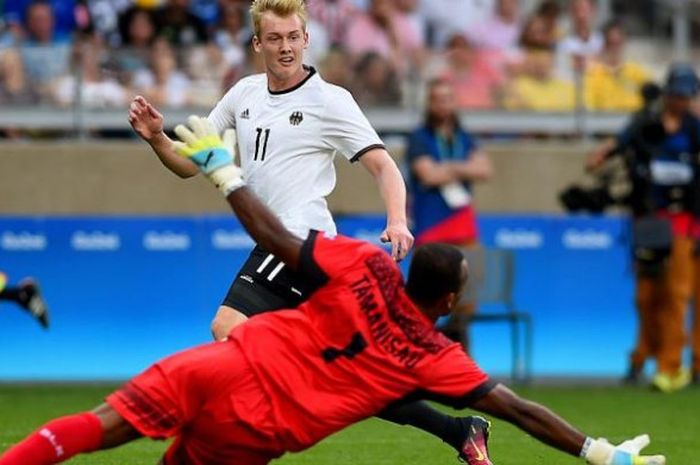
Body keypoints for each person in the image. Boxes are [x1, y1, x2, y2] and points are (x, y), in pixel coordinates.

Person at [0, 117, 667, 465]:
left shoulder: (364, 264)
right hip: (258, 426)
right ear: (450, 303)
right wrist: (596, 449)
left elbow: (276, 236)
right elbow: (522, 409)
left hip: (223, 362)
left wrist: (223, 172)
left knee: (102, 425)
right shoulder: (434, 357)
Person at [127, 0, 483, 460]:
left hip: (300, 241)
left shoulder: (329, 100)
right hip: (286, 249)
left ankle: (250, 433)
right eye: (274, 39)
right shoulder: (243, 94)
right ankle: (459, 430)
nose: (285, 47)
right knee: (353, 371)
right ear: (257, 43)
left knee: (228, 326)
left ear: (306, 38)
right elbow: (188, 165)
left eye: (293, 37)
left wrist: (397, 219)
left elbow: (383, 165)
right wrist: (158, 137)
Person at [587, 64, 700, 393]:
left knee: (678, 294)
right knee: (647, 295)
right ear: (667, 93)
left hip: (684, 221)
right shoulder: (645, 123)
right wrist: (600, 156)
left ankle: (672, 364)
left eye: (686, 95)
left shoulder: (694, 129)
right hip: (649, 220)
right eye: (677, 94)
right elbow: (618, 143)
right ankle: (642, 357)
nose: (681, 100)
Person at [405, 78, 492, 347]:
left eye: (448, 98)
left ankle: (460, 360)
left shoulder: (464, 137)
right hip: (432, 228)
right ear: (430, 104)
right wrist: (462, 166)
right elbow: (428, 175)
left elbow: (485, 170)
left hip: (464, 228)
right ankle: (422, 354)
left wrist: (449, 168)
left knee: (466, 301)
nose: (443, 105)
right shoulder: (420, 138)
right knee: (426, 300)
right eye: (437, 99)